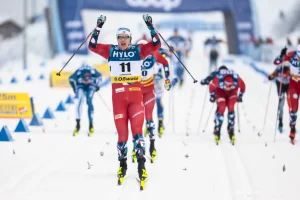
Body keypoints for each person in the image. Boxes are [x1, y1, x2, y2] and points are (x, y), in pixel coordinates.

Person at [87, 14, 161, 189]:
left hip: (135, 97)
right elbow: (91, 46)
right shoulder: (110, 50)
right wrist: (98, 27)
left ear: (130, 39)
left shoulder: (138, 51)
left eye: (125, 38)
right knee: (122, 137)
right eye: (120, 38)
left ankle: (142, 167)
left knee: (137, 133)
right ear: (117, 39)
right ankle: (123, 166)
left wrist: (150, 26)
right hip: (118, 98)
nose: (122, 40)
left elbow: (157, 45)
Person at [130, 40, 170, 164]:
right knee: (147, 118)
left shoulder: (134, 54)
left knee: (140, 119)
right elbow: (165, 62)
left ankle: (143, 146)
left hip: (142, 91)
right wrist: (167, 79)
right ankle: (151, 146)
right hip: (142, 91)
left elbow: (165, 62)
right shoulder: (152, 53)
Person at [208, 68, 246, 145]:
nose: (228, 87)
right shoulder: (218, 79)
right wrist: (212, 96)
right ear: (224, 83)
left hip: (232, 92)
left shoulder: (237, 80)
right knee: (222, 107)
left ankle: (230, 128)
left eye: (229, 86)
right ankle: (217, 128)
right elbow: (211, 87)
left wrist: (240, 96)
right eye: (226, 86)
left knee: (231, 106)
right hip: (220, 91)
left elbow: (243, 86)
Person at [273, 45, 300, 144]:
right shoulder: (292, 55)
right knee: (293, 108)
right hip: (294, 84)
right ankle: (292, 129)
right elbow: (275, 62)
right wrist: (281, 56)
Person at [69, 64, 102, 137]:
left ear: (90, 77)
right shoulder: (79, 73)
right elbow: (70, 79)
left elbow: (100, 76)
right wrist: (74, 87)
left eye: (88, 79)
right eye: (85, 79)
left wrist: (97, 86)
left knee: (89, 100)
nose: (86, 81)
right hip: (80, 85)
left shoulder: (93, 72)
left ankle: (91, 125)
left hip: (91, 85)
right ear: (81, 78)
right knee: (80, 101)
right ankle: (78, 124)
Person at [268, 61, 290, 133]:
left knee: (291, 103)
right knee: (281, 102)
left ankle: (292, 123)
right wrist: (271, 77)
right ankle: (280, 121)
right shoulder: (279, 68)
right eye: (283, 74)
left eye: (285, 74)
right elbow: (271, 75)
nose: (284, 75)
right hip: (280, 84)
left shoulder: (291, 69)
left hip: (289, 85)